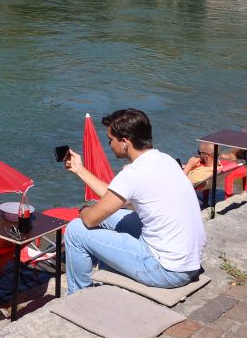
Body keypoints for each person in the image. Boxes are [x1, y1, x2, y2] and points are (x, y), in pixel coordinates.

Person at [63, 108, 206, 292]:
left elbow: (90, 220)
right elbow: (113, 196)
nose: (109, 144)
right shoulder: (164, 159)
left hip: (166, 270)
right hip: (189, 262)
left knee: (76, 230)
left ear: (124, 142)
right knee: (115, 215)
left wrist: (83, 211)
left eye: (110, 140)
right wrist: (79, 170)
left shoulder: (134, 173)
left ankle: (78, 296)